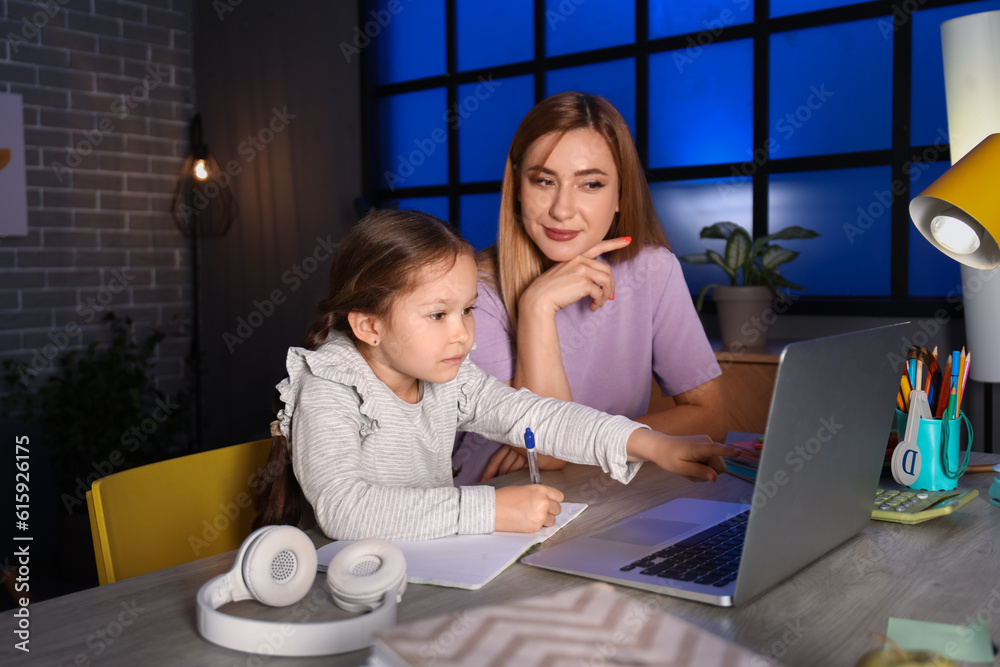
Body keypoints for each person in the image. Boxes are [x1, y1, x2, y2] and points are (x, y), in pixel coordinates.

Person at [253, 208, 735, 541]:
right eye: (438, 315)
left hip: (424, 565)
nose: (464, 334)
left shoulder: (447, 376)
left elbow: (540, 416)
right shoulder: (331, 385)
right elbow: (345, 511)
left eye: (467, 310)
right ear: (369, 325)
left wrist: (652, 444)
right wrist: (492, 510)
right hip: (342, 583)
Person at [452, 91, 726, 486]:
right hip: (495, 505)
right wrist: (536, 306)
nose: (562, 209)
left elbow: (712, 419)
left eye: (591, 184)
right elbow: (545, 452)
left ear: (620, 195)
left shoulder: (652, 271)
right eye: (544, 181)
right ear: (516, 189)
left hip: (603, 493)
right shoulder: (474, 291)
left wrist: (597, 440)